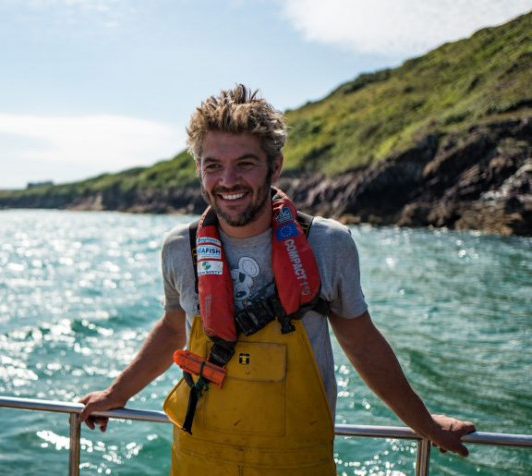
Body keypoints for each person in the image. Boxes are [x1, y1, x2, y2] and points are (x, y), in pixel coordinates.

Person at [79, 84, 475, 474]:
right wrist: (116, 393)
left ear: (276, 166)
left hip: (298, 464)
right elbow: (172, 328)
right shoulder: (180, 247)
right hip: (197, 461)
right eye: (213, 165)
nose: (228, 180)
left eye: (245, 164)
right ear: (199, 169)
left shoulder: (327, 243)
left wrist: (425, 424)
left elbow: (362, 341)